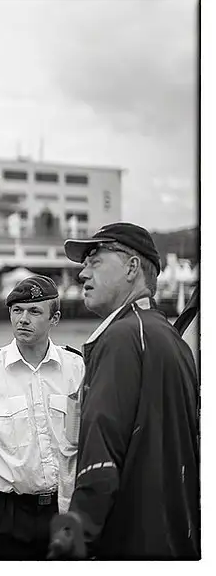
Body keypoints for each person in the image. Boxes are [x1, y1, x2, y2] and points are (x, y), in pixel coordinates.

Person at [48, 222, 200, 559]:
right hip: (174, 537)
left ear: (132, 268)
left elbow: (100, 460)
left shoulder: (121, 338)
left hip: (127, 542)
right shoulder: (172, 340)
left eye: (95, 261)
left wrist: (71, 543)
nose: (82, 274)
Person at [0, 275, 85, 560]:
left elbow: (90, 438)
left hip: (67, 507)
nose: (23, 319)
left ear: (54, 318)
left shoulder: (77, 368)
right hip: (8, 514)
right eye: (17, 310)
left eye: (34, 311)